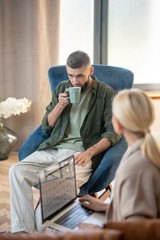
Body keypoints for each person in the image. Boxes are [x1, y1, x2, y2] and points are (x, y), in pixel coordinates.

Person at [9, 50, 120, 233]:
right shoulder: (62, 88)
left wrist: (90, 153)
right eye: (70, 75)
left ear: (90, 70)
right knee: (16, 171)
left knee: (55, 184)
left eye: (79, 76)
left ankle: (38, 235)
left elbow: (113, 132)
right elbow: (47, 126)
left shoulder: (106, 93)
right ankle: (23, 232)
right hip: (54, 148)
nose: (75, 81)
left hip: (81, 155)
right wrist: (60, 105)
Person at [79, 88, 160, 230]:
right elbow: (136, 205)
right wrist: (106, 207)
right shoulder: (145, 151)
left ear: (119, 123)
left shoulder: (137, 167)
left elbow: (137, 229)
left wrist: (98, 232)